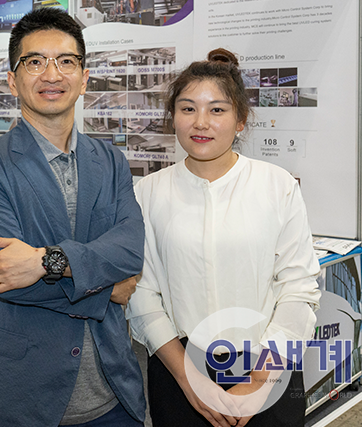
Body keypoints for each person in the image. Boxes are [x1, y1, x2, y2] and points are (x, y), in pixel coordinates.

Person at [0, 7, 146, 427]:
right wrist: (107, 288)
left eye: (66, 61)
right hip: (16, 396)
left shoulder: (110, 160)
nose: (52, 74)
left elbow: (129, 252)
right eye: (35, 62)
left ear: (84, 78)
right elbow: (8, 281)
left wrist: (43, 262)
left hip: (110, 394)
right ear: (12, 80)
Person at [126, 49, 321, 427]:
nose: (200, 122)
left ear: (241, 119)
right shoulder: (147, 193)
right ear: (172, 117)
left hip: (268, 362)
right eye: (187, 109)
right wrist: (189, 379)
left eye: (217, 110)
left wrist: (259, 381)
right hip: (179, 371)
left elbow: (298, 287)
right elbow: (143, 294)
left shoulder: (276, 185)